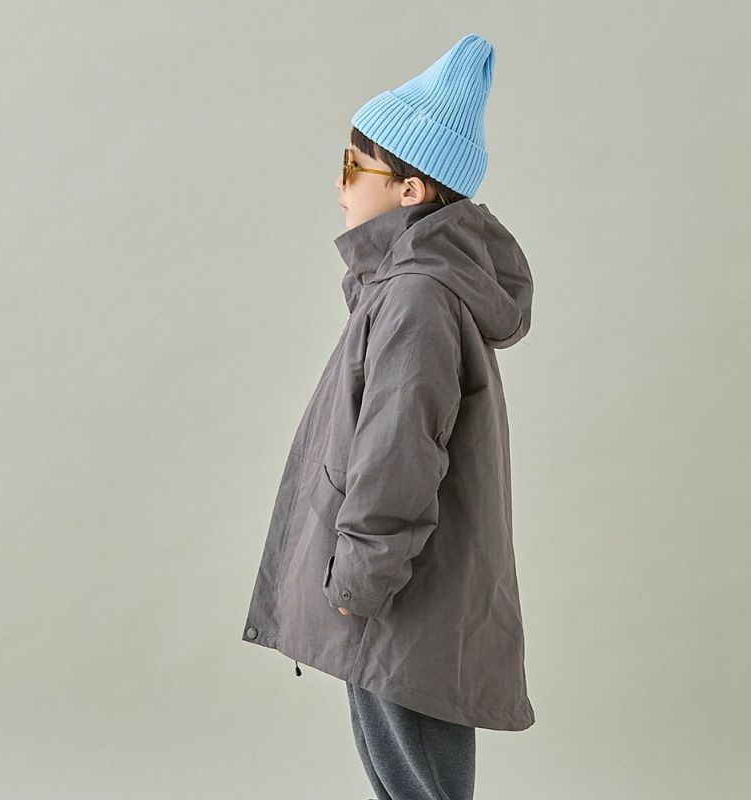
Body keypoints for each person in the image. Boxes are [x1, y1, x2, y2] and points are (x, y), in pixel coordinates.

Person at [241, 33, 535, 800]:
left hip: (402, 603)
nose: (340, 186)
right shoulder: (407, 285)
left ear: (410, 190)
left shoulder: (417, 296)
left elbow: (398, 455)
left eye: (354, 167)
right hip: (399, 597)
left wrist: (358, 583)